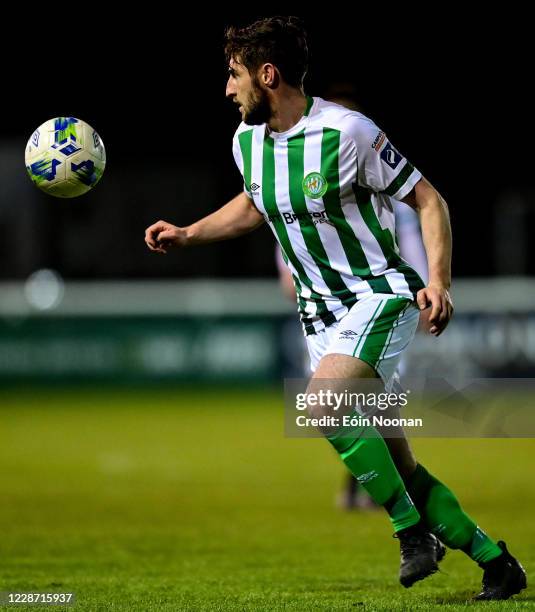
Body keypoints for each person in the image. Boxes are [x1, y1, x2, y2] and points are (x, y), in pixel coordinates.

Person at [144, 16, 526, 600]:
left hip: (378, 297)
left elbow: (429, 199)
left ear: (267, 75)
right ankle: (495, 563)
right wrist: (190, 233)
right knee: (400, 467)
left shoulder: (347, 132)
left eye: (233, 74)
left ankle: (410, 533)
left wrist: (440, 281)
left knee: (321, 407)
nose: (227, 88)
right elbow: (255, 203)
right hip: (320, 320)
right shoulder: (246, 142)